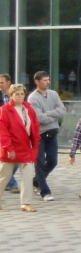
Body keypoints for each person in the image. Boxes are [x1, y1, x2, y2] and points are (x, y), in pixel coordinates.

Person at [0, 83, 40, 211]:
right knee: (4, 177)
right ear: (11, 95)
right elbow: (3, 131)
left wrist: (36, 144)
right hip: (10, 148)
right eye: (17, 94)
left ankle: (26, 203)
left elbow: (35, 126)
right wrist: (8, 147)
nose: (20, 96)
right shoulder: (5, 110)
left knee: (28, 176)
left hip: (26, 147)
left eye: (22, 94)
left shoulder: (29, 109)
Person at [28, 70, 65, 201]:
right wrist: (53, 116)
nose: (48, 82)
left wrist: (47, 114)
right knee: (40, 163)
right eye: (45, 80)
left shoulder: (53, 94)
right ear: (37, 82)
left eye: (48, 80)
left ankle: (36, 181)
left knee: (53, 161)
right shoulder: (33, 98)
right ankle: (45, 192)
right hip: (39, 134)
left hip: (52, 133)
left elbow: (62, 111)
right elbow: (38, 118)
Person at [0, 74, 14, 193]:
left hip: (15, 130)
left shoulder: (15, 95)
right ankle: (12, 183)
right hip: (2, 129)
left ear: (8, 82)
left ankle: (8, 181)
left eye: (1, 82)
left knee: (12, 157)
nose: (0, 85)